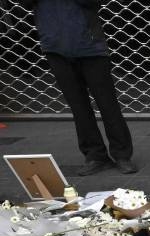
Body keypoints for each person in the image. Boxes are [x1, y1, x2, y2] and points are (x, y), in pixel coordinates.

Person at [16, 0, 136, 175]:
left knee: (107, 103)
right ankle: (95, 155)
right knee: (78, 106)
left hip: (90, 45)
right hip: (55, 46)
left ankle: (122, 155)